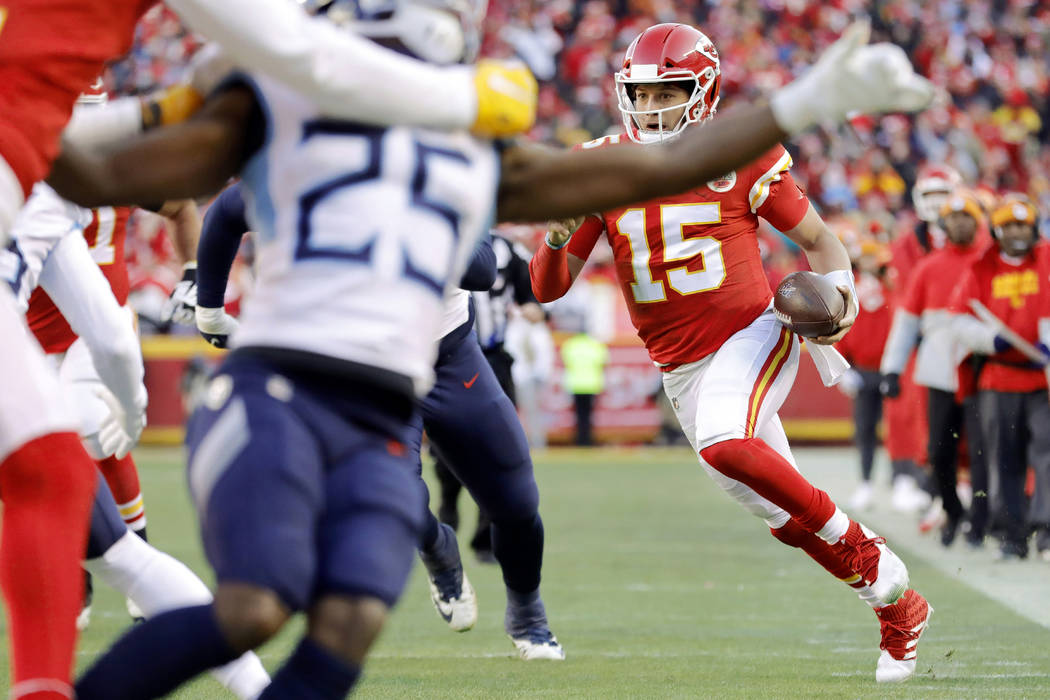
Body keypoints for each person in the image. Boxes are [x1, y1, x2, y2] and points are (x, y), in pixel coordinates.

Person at [48, 11, 934, 696]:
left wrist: (806, 106)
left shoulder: (478, 163)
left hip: (396, 400)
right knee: (256, 605)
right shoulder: (279, 123)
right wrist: (84, 121)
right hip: (280, 386)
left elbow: (578, 214)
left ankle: (883, 586)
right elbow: (130, 173)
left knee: (353, 617)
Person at [0, 0, 536, 693]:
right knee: (174, 560)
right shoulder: (293, 110)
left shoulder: (42, 136)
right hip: (280, 379)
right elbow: (292, 49)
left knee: (59, 481)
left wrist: (159, 112)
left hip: (381, 393)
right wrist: (461, 95)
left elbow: (62, 153)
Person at [529, 22, 934, 683]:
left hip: (754, 332)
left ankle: (875, 555)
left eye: (669, 93)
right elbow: (546, 288)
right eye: (643, 94)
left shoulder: (737, 155)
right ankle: (896, 605)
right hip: (681, 367)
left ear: (705, 91)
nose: (654, 108)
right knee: (784, 513)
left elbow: (821, 241)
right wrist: (554, 237)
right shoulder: (600, 165)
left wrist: (840, 305)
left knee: (725, 440)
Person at [192, 184, 564, 660]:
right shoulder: (309, 164)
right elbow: (225, 212)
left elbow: (481, 269)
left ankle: (527, 612)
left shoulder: (434, 167)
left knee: (515, 498)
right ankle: (437, 546)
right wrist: (209, 307)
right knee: (391, 498)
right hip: (368, 371)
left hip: (449, 356)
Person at [2, 181, 271, 698]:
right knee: (124, 556)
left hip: (33, 370)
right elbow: (114, 340)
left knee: (112, 544)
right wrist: (132, 408)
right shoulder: (49, 182)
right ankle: (258, 687)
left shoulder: (49, 185)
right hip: (31, 373)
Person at [881, 190, 991, 546]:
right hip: (939, 371)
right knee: (940, 450)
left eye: (967, 217)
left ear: (978, 222)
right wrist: (892, 369)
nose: (960, 224)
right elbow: (907, 322)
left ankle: (979, 519)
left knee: (980, 450)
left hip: (980, 373)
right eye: (954, 218)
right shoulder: (928, 267)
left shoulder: (989, 263)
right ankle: (951, 509)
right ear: (943, 224)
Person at [949, 197, 1050, 559]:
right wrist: (988, 339)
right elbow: (959, 321)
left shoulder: (1047, 260)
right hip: (999, 378)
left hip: (1043, 380)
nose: (1017, 232)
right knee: (1004, 460)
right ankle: (1012, 536)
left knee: (1047, 454)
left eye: (1023, 225)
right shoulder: (980, 268)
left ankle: (1046, 530)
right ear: (997, 230)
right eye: (1009, 226)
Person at [435, 231, 543, 561]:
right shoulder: (441, 230)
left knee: (495, 449)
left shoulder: (509, 251)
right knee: (446, 449)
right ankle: (448, 502)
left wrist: (527, 310)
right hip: (449, 354)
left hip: (493, 358)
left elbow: (534, 302)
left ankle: (486, 539)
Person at [835, 236, 895, 510]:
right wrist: (844, 368)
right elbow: (841, 328)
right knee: (865, 430)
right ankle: (866, 483)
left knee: (898, 428)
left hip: (889, 369)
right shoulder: (849, 288)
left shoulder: (891, 287)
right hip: (862, 370)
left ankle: (902, 480)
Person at [560, 328, 609, 446]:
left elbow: (566, 361)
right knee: (588, 415)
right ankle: (587, 440)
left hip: (575, 385)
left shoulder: (570, 345)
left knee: (579, 415)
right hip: (592, 385)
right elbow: (603, 362)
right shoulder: (595, 345)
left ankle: (580, 440)